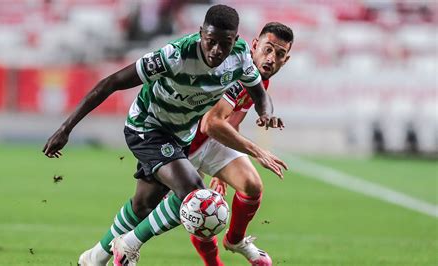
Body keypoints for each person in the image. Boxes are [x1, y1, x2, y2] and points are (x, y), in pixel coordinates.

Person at [42, 4, 284, 266]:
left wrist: (265, 113)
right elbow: (111, 83)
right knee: (194, 193)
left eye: (224, 44)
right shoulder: (174, 56)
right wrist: (66, 128)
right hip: (147, 127)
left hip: (179, 135)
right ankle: (129, 245)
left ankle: (94, 258)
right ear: (201, 32)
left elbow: (260, 95)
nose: (216, 50)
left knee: (143, 206)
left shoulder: (240, 58)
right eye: (210, 41)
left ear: (235, 40)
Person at [188, 22, 294, 266]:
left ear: (286, 60)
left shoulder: (260, 79)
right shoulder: (237, 70)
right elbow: (211, 124)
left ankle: (235, 240)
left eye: (279, 54)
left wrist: (221, 174)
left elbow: (231, 122)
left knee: (251, 185)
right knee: (198, 213)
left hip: (207, 141)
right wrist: (258, 152)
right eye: (268, 49)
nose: (271, 58)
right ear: (255, 45)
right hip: (179, 144)